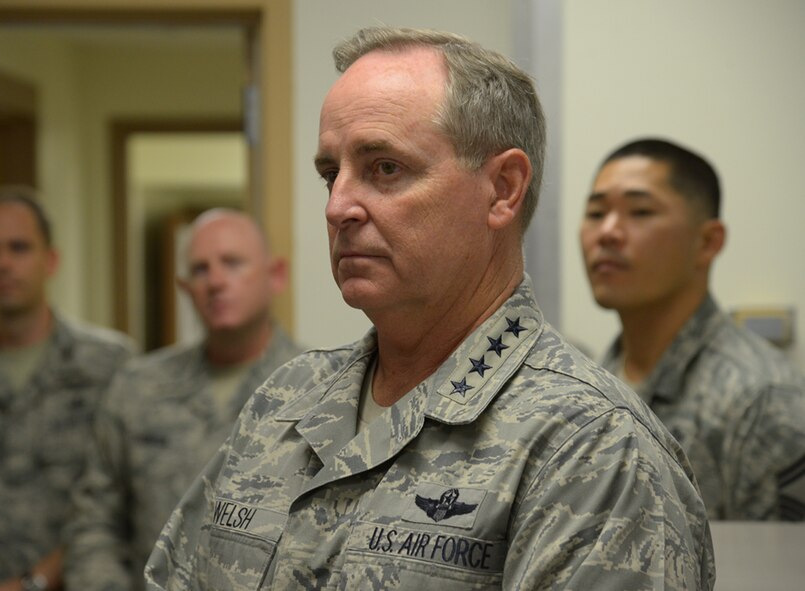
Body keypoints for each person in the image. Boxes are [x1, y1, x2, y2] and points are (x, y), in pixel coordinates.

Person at [146, 27, 715, 589]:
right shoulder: (285, 400)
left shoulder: (592, 448)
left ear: (502, 189)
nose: (339, 205)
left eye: (384, 169)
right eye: (329, 174)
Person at [64, 209, 304, 590]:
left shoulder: (320, 389)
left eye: (232, 263)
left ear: (275, 275)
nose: (216, 281)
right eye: (200, 269)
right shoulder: (138, 388)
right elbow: (95, 521)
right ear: (185, 287)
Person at [579, 137, 805, 521]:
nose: (608, 232)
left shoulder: (762, 401)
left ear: (707, 242)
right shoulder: (594, 379)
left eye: (640, 211)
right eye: (597, 213)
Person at [0, 186, 133, 591]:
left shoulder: (110, 365)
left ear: (50, 260)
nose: (3, 263)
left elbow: (122, 500)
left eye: (18, 248)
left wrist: (33, 583)